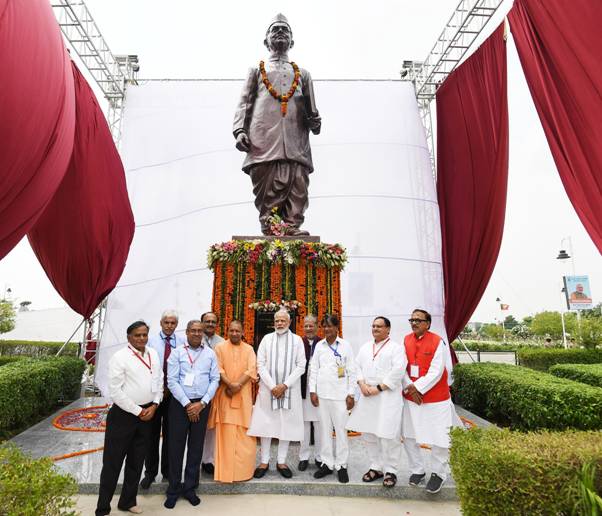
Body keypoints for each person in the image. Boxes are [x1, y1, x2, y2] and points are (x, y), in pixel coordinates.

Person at [233, 13, 321, 236]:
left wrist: (315, 121)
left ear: (292, 41)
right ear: (266, 41)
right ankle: (271, 226)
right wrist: (240, 130)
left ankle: (292, 226)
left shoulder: (304, 74)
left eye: (285, 30)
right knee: (268, 185)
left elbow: (313, 114)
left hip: (296, 140)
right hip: (263, 139)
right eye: (275, 30)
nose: (280, 32)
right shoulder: (256, 70)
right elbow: (245, 102)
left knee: (298, 182)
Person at [96, 321, 163, 516]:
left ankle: (127, 501)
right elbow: (115, 392)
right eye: (137, 335)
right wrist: (138, 411)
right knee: (112, 463)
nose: (141, 338)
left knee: (136, 461)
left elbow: (159, 380)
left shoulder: (153, 353)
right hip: (124, 416)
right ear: (129, 337)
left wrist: (155, 404)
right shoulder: (120, 357)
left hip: (148, 413)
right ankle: (102, 508)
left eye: (144, 335)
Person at [402, 309, 460, 495]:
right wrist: (411, 387)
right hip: (412, 398)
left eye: (418, 320)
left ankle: (438, 473)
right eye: (412, 319)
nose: (414, 323)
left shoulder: (438, 341)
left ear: (428, 323)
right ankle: (417, 469)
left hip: (435, 399)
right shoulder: (406, 339)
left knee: (439, 437)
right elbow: (401, 367)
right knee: (409, 435)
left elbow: (436, 372)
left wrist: (415, 387)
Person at [346, 316, 406, 488]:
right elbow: (355, 367)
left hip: (387, 396)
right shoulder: (365, 347)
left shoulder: (396, 348)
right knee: (369, 434)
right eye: (373, 326)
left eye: (379, 326)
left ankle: (391, 470)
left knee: (388, 435)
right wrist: (362, 384)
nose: (375, 329)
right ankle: (376, 466)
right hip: (367, 395)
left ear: (388, 329)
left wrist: (378, 388)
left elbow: (398, 371)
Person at [165, 320, 219, 509]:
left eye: (200, 331)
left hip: (202, 406)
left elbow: (215, 380)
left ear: (203, 333)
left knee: (196, 448)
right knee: (176, 448)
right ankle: (173, 489)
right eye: (193, 330)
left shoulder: (210, 354)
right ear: (187, 332)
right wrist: (188, 404)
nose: (197, 333)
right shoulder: (177, 352)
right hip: (181, 406)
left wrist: (202, 403)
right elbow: (171, 381)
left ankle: (190, 488)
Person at [247, 309, 306, 478]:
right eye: (277, 320)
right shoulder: (267, 339)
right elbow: (260, 364)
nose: (280, 323)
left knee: (286, 424)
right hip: (268, 389)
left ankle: (281, 461)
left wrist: (284, 385)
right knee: (266, 424)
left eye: (283, 320)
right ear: (274, 322)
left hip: (289, 390)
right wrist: (273, 386)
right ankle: (264, 461)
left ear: (289, 322)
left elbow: (301, 365)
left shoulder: (297, 340)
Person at [207, 320, 258, 483]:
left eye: (237, 331)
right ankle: (225, 473)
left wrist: (237, 385)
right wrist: (229, 384)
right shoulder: (220, 348)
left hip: (242, 396)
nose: (234, 333)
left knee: (245, 433)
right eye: (231, 331)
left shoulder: (249, 349)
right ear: (227, 331)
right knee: (225, 433)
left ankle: (242, 472)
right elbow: (218, 368)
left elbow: (251, 369)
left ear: (243, 332)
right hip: (225, 394)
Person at [140, 310, 185, 489]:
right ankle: (150, 473)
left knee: (171, 435)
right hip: (154, 395)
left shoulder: (182, 343)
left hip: (174, 396)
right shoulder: (150, 342)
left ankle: (167, 472)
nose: (169, 326)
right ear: (160, 323)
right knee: (150, 435)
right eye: (166, 322)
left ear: (177, 325)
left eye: (173, 323)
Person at [309, 314, 356, 483]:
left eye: (330, 326)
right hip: (322, 396)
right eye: (325, 326)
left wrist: (351, 394)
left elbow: (351, 370)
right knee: (325, 431)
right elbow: (314, 369)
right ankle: (327, 464)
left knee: (341, 431)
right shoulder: (319, 346)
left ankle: (342, 465)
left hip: (340, 397)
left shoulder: (346, 346)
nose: (327, 329)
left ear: (337, 328)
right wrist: (312, 391)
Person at [199, 311, 224, 475]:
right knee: (194, 428)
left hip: (214, 390)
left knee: (210, 428)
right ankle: (193, 458)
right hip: (194, 391)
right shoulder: (193, 337)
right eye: (207, 321)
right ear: (201, 323)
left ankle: (207, 460)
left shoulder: (222, 343)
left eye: (213, 321)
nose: (210, 324)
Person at [298, 314, 321, 471]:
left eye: (311, 325)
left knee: (320, 425)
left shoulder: (323, 343)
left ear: (317, 326)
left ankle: (320, 457)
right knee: (304, 425)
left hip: (320, 391)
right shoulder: (299, 343)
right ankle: (304, 457)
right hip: (302, 390)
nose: (308, 328)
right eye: (306, 325)